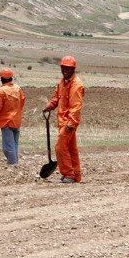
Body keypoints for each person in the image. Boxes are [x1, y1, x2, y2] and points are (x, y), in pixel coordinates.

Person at [43, 55, 85, 183]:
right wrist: (50, 105)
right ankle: (76, 175)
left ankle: (68, 174)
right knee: (71, 149)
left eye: (68, 68)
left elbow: (76, 106)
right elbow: (58, 97)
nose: (65, 70)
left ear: (73, 69)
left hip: (69, 122)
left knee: (60, 147)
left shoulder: (76, 84)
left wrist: (71, 123)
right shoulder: (63, 82)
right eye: (63, 68)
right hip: (63, 121)